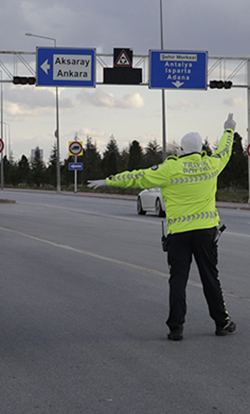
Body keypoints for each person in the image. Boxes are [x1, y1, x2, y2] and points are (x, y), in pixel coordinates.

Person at [89, 113, 238, 341]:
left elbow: (137, 177)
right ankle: (222, 322)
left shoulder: (170, 169)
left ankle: (176, 328)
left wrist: (108, 180)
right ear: (201, 149)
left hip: (178, 234)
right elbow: (225, 151)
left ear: (181, 149)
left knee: (178, 280)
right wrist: (229, 130)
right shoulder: (211, 165)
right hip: (206, 232)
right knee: (210, 277)